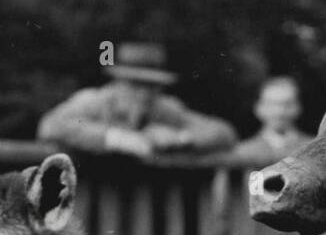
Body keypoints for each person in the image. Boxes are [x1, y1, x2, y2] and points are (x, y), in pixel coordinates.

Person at [37, 42, 236, 157]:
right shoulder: (94, 101)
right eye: (135, 84)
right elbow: (50, 125)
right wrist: (115, 138)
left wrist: (181, 138)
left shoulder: (165, 108)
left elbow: (223, 132)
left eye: (152, 86)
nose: (144, 94)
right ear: (118, 81)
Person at [232, 76, 312, 165]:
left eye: (287, 104)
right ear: (258, 108)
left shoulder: (313, 149)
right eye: (271, 104)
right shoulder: (242, 151)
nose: (279, 112)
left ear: (298, 107)